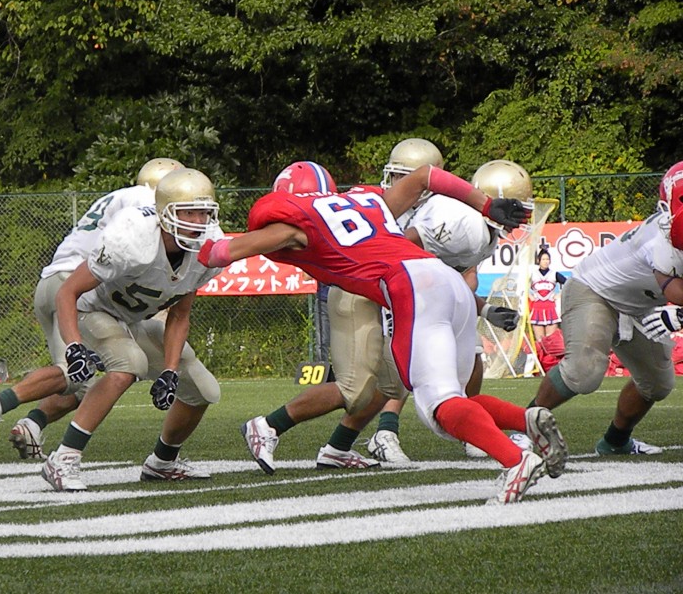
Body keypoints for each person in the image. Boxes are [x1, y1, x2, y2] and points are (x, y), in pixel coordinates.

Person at [200, 160, 567, 504]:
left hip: (410, 287)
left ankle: (515, 460)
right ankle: (526, 421)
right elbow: (425, 175)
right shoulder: (365, 203)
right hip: (448, 284)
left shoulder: (292, 225)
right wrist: (485, 205)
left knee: (439, 406)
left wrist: (200, 244)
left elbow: (222, 253)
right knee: (453, 396)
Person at [0, 158, 187, 459]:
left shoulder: (119, 197)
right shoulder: (146, 202)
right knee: (74, 370)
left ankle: (32, 424)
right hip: (75, 285)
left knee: (84, 383)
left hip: (52, 282)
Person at [36, 168, 223, 491]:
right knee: (128, 364)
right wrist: (74, 345)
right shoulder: (133, 237)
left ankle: (162, 463)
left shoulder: (208, 248)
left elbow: (180, 316)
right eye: (188, 212)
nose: (197, 222)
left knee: (202, 390)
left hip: (133, 319)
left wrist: (170, 370)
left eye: (203, 213)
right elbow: (69, 292)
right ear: (165, 213)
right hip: (93, 309)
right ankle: (63, 458)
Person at [365, 157, 534, 462]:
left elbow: (458, 280)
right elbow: (399, 250)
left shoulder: (483, 232)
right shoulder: (461, 221)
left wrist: (484, 310)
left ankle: (473, 428)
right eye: (515, 208)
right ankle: (384, 432)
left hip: (432, 294)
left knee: (471, 355)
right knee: (409, 368)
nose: (520, 217)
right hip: (404, 289)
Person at [528, 160, 683, 455]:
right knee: (584, 371)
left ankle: (615, 442)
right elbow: (676, 292)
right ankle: (522, 426)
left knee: (657, 385)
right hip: (595, 290)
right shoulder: (661, 239)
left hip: (640, 305)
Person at [529, 247, 567, 340]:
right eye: (543, 259)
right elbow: (521, 287)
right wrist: (530, 296)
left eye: (547, 259)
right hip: (537, 309)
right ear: (538, 261)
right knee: (540, 340)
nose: (546, 261)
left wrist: (559, 294)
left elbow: (569, 283)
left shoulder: (554, 274)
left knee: (550, 340)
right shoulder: (533, 274)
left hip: (551, 309)